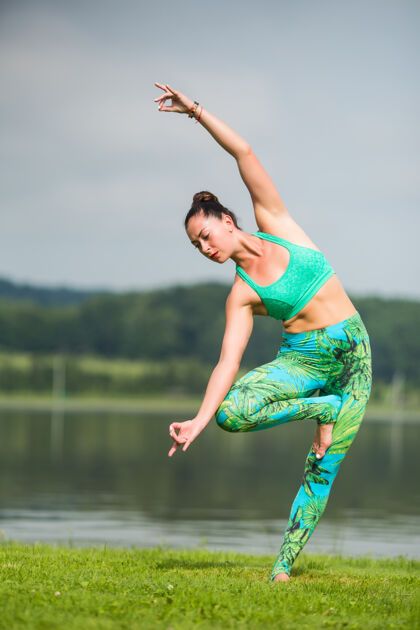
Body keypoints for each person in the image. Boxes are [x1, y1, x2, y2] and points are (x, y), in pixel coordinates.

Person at [154, 82, 372, 582]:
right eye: (196, 247)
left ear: (227, 221)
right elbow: (227, 362)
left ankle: (282, 566)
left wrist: (197, 112)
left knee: (323, 466)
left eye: (206, 235)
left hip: (354, 357)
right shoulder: (241, 294)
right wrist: (198, 420)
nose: (205, 248)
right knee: (233, 414)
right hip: (304, 363)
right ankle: (324, 409)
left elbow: (243, 151)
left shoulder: (276, 222)